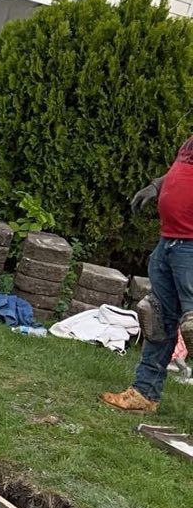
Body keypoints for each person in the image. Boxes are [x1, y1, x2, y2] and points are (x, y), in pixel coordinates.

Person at [102, 135, 193, 412]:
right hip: (169, 242)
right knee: (158, 320)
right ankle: (145, 393)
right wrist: (155, 186)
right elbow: (180, 171)